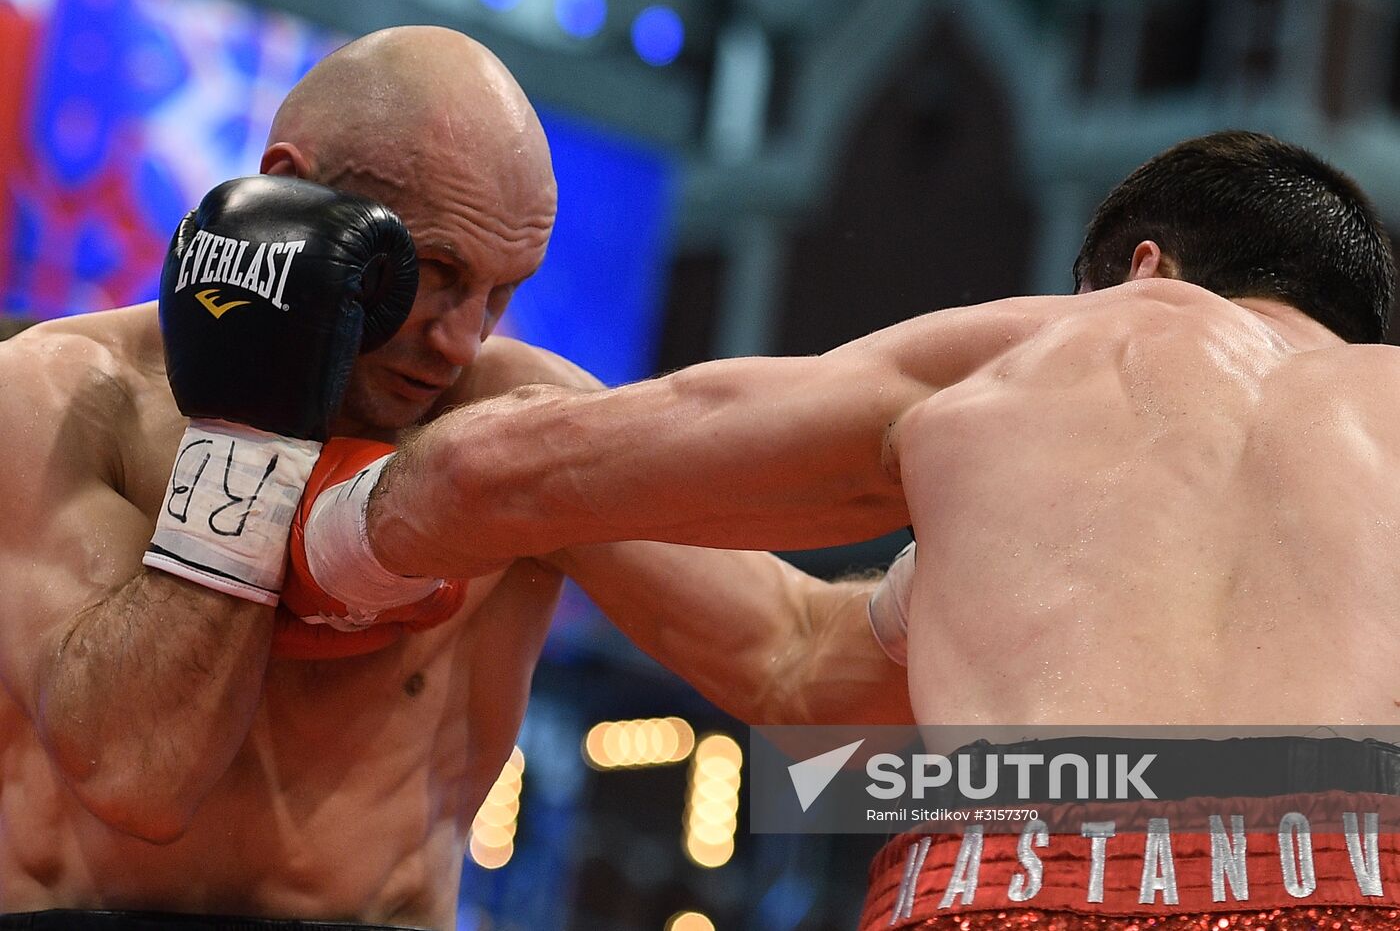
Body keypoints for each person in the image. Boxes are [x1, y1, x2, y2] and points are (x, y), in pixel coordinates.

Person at [300, 130, 1400, 927]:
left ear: (1140, 272)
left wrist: (332, 538)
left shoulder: (1095, 339)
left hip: (1018, 863)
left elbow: (534, 467)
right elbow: (796, 656)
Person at [0, 24, 905, 931]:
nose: (463, 340)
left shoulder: (509, 434)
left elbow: (799, 659)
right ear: (293, 191)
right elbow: (136, 773)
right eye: (434, 272)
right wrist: (256, 421)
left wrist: (1017, 581)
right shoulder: (61, 398)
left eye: (502, 291)